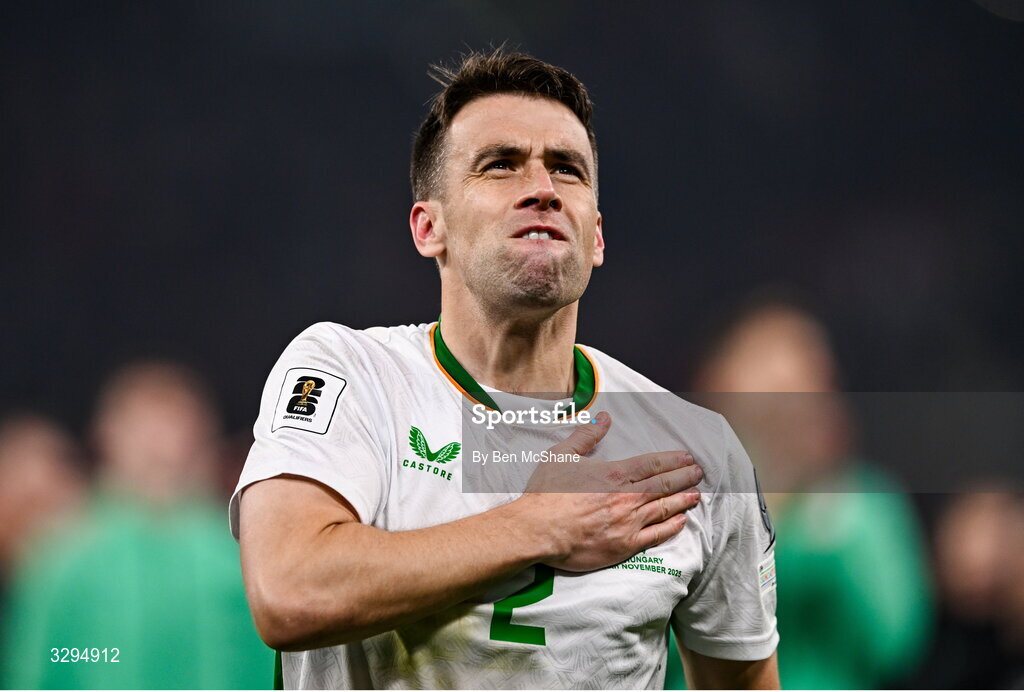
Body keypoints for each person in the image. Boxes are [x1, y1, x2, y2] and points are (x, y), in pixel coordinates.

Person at [233, 49, 778, 689]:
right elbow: (290, 592)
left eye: (567, 170)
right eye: (500, 166)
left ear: (597, 237)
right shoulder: (350, 376)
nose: (542, 188)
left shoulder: (697, 451)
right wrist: (540, 527)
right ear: (428, 226)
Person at [680, 294, 932, 689]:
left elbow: (894, 640)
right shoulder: (674, 504)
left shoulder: (862, 505)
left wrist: (819, 519)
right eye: (765, 360)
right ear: (714, 381)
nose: (786, 383)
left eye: (803, 372)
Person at [1, 362, 272, 689]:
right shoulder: (59, 558)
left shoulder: (239, 557)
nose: (158, 443)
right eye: (143, 426)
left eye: (172, 425)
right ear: (107, 436)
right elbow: (36, 671)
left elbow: (273, 670)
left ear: (202, 435)